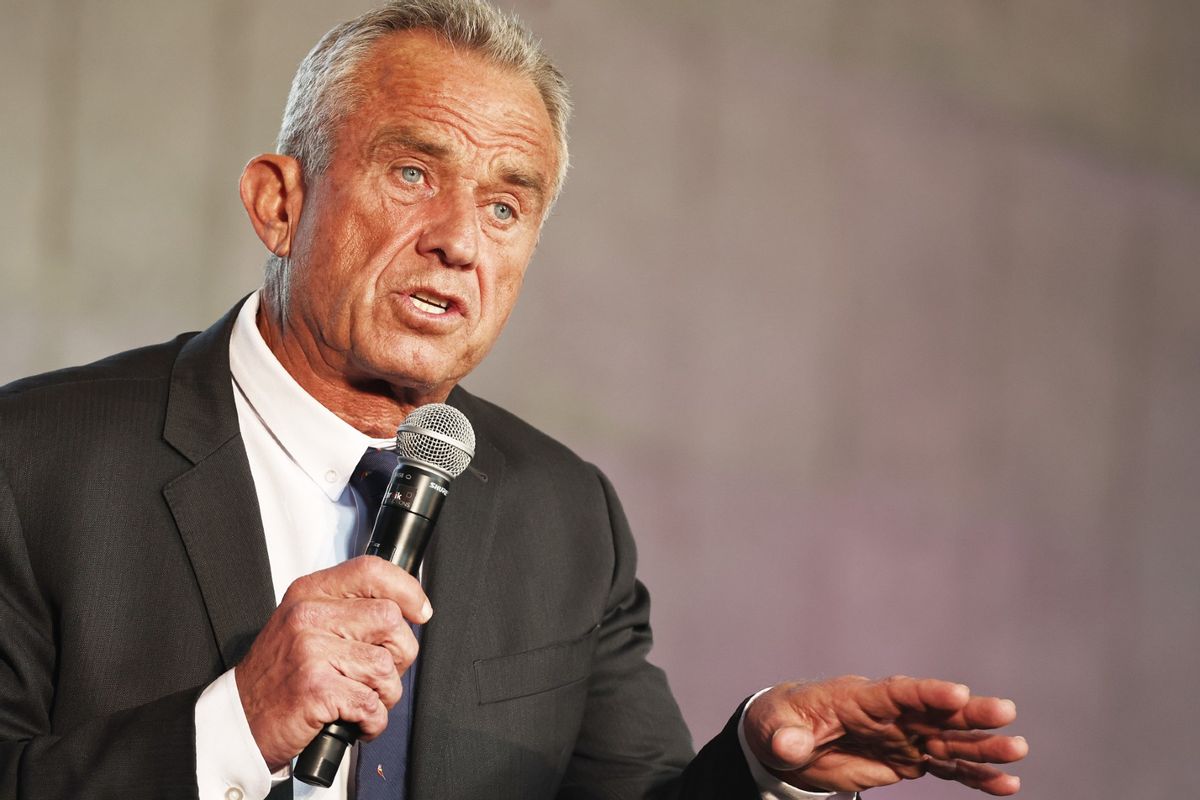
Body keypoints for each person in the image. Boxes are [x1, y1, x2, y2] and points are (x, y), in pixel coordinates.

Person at [0, 1, 1027, 798]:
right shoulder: (33, 460)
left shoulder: (563, 514)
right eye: (412, 171)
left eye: (505, 203)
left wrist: (766, 768)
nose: (459, 238)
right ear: (281, 200)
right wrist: (234, 724)